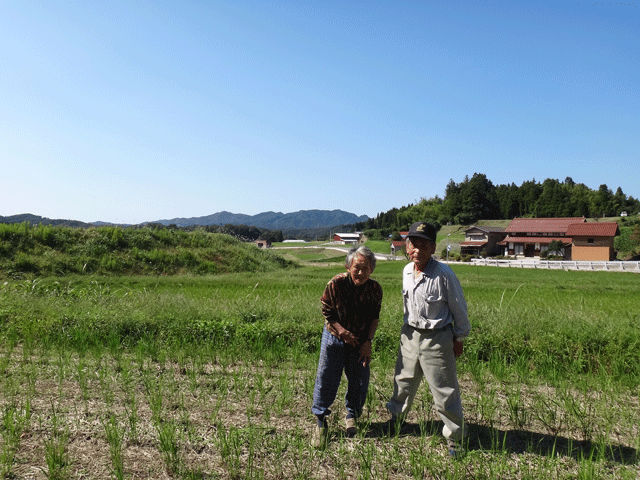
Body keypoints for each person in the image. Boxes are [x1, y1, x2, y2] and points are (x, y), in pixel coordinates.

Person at [386, 222, 471, 458]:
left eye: (423, 245)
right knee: (402, 381)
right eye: (413, 244)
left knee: (444, 390)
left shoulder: (444, 274)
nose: (417, 250)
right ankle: (396, 419)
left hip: (437, 338)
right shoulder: (405, 271)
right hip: (410, 334)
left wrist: (460, 337)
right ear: (406, 245)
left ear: (433, 247)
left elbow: (459, 309)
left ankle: (455, 437)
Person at [310, 245, 383, 447]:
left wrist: (368, 342)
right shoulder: (336, 284)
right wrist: (341, 331)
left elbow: (374, 317)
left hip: (360, 340)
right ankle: (320, 422)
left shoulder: (375, 289)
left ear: (372, 269)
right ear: (348, 266)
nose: (360, 272)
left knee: (359, 381)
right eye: (357, 267)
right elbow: (327, 312)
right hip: (335, 337)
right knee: (327, 378)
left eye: (366, 268)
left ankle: (352, 416)